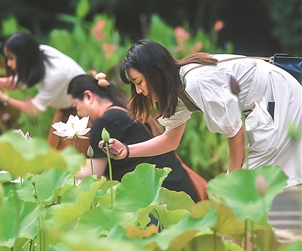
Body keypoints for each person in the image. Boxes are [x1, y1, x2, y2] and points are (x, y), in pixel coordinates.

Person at [100, 39, 302, 188]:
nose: (139, 91)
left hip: (280, 96)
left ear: (155, 72)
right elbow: (170, 140)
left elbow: (234, 132)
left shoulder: (196, 82)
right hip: (265, 104)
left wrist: (233, 179)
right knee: (258, 182)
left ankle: (275, 237)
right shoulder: (175, 90)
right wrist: (127, 150)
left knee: (254, 181)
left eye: (138, 83)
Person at [67, 73, 198, 202]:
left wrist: (64, 169)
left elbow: (93, 173)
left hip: (161, 197)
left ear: (88, 96)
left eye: (75, 105)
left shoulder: (104, 123)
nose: (78, 113)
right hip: (177, 187)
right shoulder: (122, 110)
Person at [0, 31, 88, 153]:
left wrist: (3, 98)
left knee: (72, 161)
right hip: (65, 110)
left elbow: (33, 110)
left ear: (24, 58)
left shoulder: (55, 75)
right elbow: (21, 80)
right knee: (53, 156)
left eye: (11, 58)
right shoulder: (39, 54)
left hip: (82, 112)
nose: (8, 63)